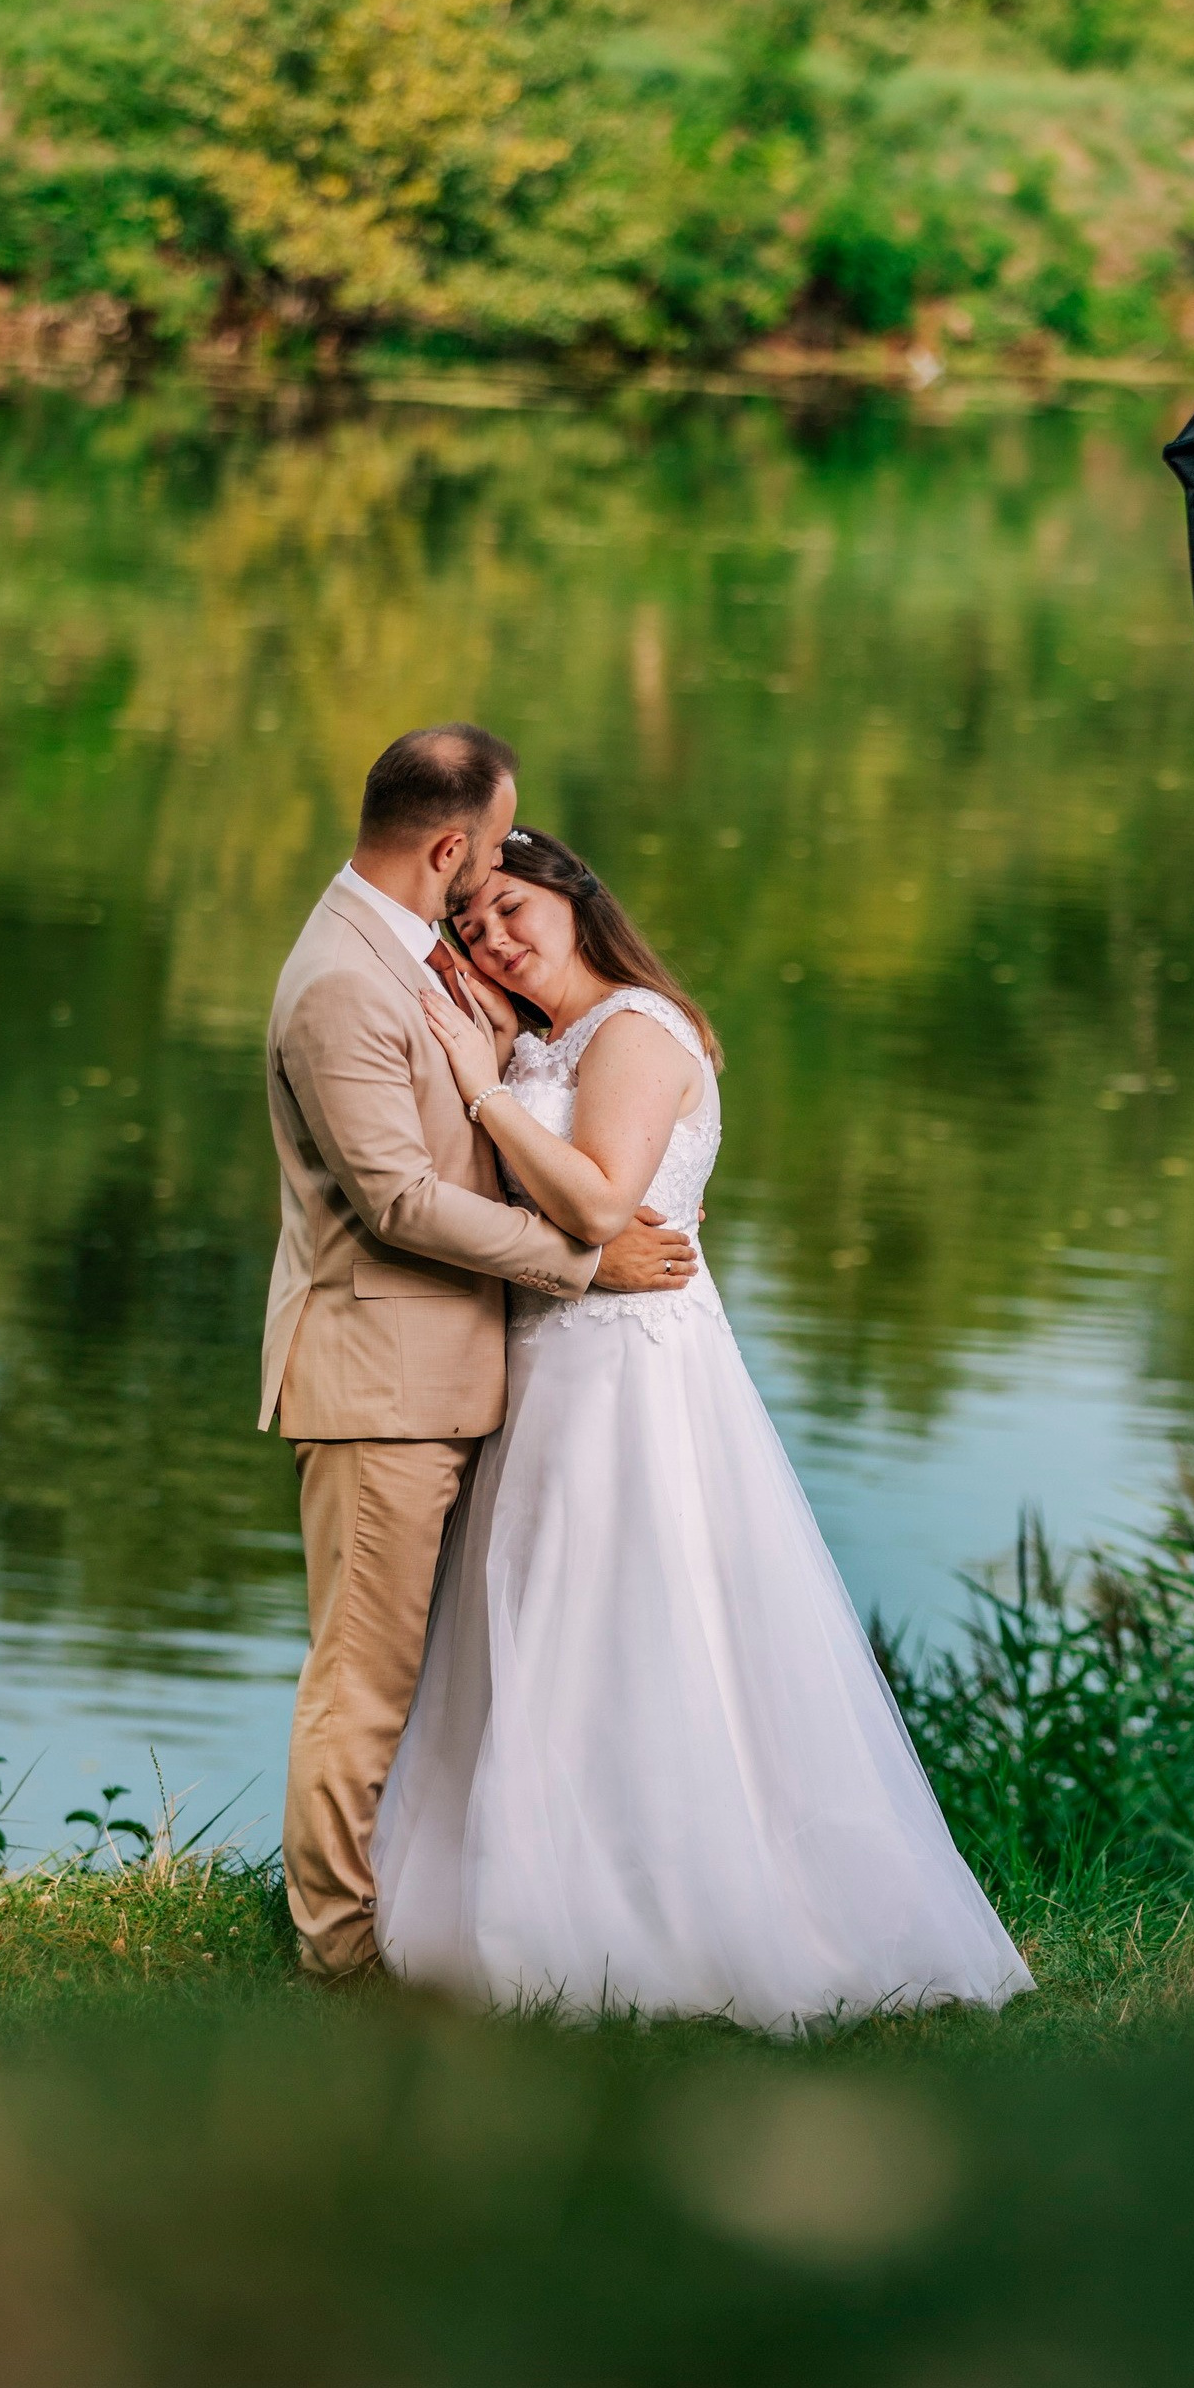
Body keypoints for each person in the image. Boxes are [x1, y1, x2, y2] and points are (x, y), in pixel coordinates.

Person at [374, 822, 1033, 2031]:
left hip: (624, 1372)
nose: (495, 936)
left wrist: (480, 1086)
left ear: (574, 895)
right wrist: (485, 1055)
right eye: (471, 925)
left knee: (620, 1611)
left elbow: (601, 1200)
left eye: (512, 906)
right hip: (548, 1359)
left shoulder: (631, 1028)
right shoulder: (547, 1038)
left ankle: (657, 1918)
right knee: (528, 1611)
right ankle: (522, 1898)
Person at [261, 728, 695, 1983]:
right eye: (495, 846)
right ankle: (339, 1961)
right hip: (381, 1385)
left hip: (469, 1379)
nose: (502, 871)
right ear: (448, 846)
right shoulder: (342, 977)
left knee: (446, 1676)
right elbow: (397, 1198)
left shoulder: (414, 958)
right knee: (363, 1683)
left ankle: (444, 1907)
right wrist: (582, 1263)